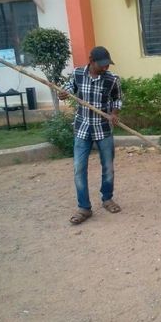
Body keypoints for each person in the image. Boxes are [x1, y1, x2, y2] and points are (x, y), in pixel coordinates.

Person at [59, 46, 123, 224]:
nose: (105, 68)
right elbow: (67, 90)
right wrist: (63, 94)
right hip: (82, 129)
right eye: (102, 65)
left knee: (108, 167)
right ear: (91, 61)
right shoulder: (78, 74)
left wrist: (115, 113)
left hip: (103, 129)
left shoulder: (112, 79)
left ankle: (107, 199)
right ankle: (84, 208)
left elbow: (117, 98)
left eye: (107, 64)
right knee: (79, 169)